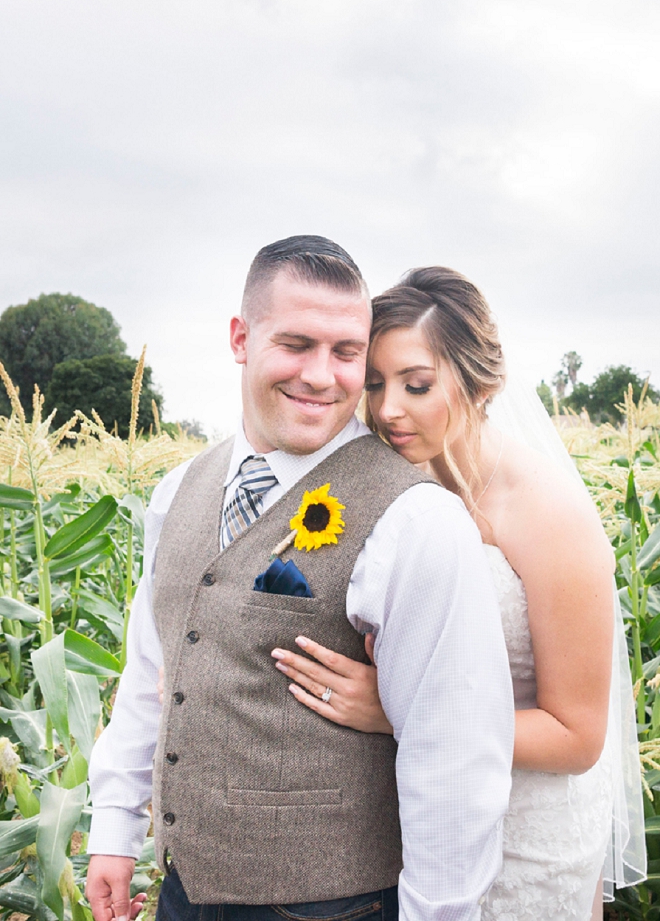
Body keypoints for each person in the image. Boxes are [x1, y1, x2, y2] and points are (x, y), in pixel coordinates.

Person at [85, 238, 515, 921]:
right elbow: (152, 671)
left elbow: (454, 754)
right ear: (240, 338)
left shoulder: (417, 519)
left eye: (347, 353)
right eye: (297, 344)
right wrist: (113, 827)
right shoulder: (177, 492)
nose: (323, 375)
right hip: (181, 890)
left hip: (331, 904)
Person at [270, 266, 646, 921]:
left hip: (525, 842)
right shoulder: (380, 489)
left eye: (417, 385)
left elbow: (577, 735)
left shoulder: (550, 514)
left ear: (482, 384)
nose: (388, 411)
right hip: (411, 829)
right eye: (377, 385)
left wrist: (402, 711)